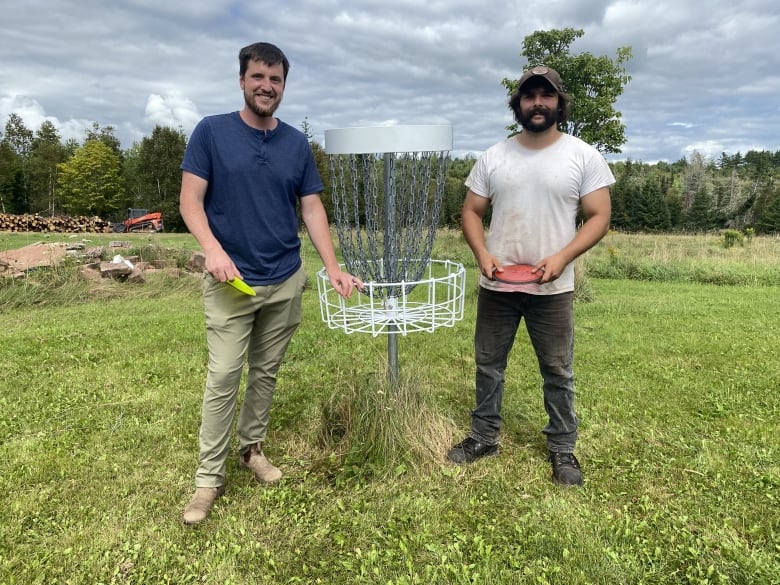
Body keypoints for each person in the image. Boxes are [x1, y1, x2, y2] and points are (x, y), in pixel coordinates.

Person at [179, 42, 359, 524]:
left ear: (284, 86)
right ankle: (207, 480)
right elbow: (189, 202)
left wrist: (333, 266)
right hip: (231, 282)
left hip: (285, 279)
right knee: (223, 378)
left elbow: (312, 207)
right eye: (258, 77)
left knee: (265, 372)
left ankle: (251, 450)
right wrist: (213, 251)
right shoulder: (212, 132)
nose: (267, 86)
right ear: (242, 80)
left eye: (276, 79)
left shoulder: (296, 145)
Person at [447, 66, 614, 486]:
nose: (537, 102)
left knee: (558, 370)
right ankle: (484, 437)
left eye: (546, 95)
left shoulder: (583, 156)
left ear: (559, 102)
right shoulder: (494, 156)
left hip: (553, 288)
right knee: (488, 365)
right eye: (529, 96)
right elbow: (470, 211)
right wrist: (482, 252)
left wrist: (563, 257)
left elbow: (599, 217)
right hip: (497, 285)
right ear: (517, 104)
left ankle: (562, 448)